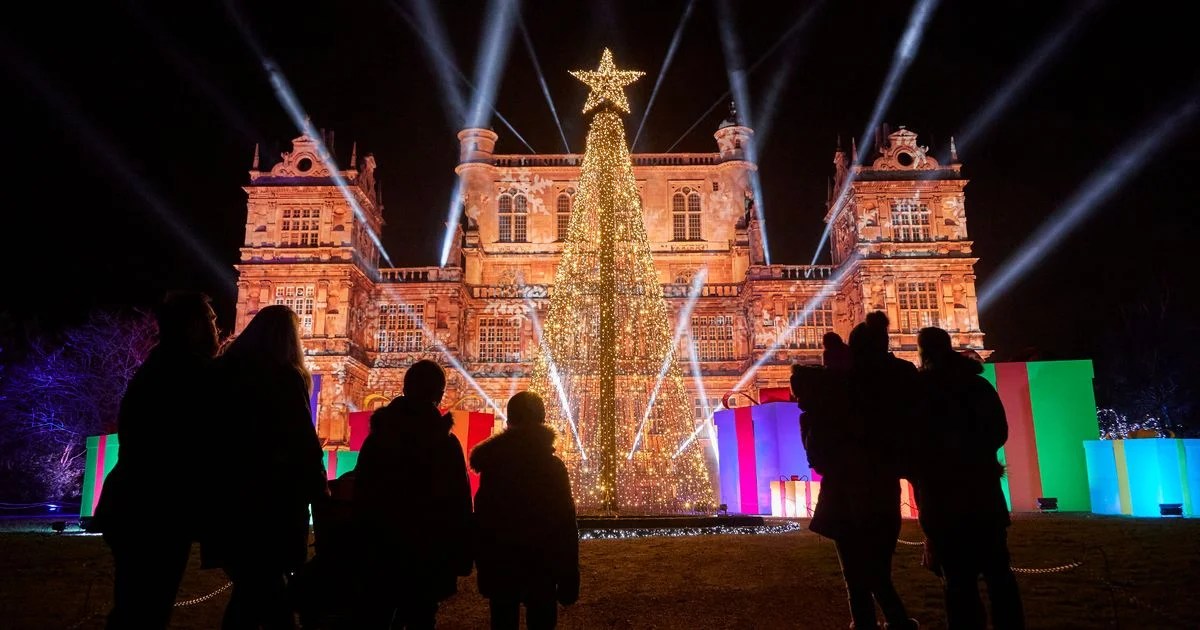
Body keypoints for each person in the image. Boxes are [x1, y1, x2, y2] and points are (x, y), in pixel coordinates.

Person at [94, 292, 220, 629]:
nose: (216, 329)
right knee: (146, 611)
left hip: (134, 502)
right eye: (211, 321)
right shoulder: (191, 370)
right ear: (193, 326)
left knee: (134, 609)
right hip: (157, 507)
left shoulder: (160, 363)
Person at [203, 305, 327, 630]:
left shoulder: (219, 373)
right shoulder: (283, 376)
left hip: (226, 502)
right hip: (270, 505)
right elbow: (303, 444)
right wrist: (321, 495)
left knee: (251, 591)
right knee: (270, 596)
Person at [808, 313, 920, 630]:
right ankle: (897, 622)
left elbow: (817, 441)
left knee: (855, 572)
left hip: (842, 489)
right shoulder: (899, 379)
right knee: (878, 567)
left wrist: (825, 462)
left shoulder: (838, 386)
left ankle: (869, 622)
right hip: (881, 486)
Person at [915, 327, 1024, 629]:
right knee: (999, 576)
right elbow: (999, 432)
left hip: (943, 498)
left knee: (957, 582)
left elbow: (914, 447)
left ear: (922, 353)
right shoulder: (978, 386)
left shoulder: (922, 393)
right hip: (982, 493)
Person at [352, 360, 472, 629]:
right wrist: (462, 553)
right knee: (421, 617)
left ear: (404, 389)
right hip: (426, 550)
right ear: (439, 395)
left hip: (382, 545)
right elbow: (459, 503)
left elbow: (361, 490)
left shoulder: (379, 437)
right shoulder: (446, 443)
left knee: (378, 615)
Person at [470, 392, 579, 630]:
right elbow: (566, 524)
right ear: (542, 421)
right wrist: (569, 575)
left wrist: (483, 565)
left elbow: (483, 518)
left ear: (509, 423)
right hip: (542, 564)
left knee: (502, 621)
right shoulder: (553, 466)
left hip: (502, 563)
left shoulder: (493, 467)